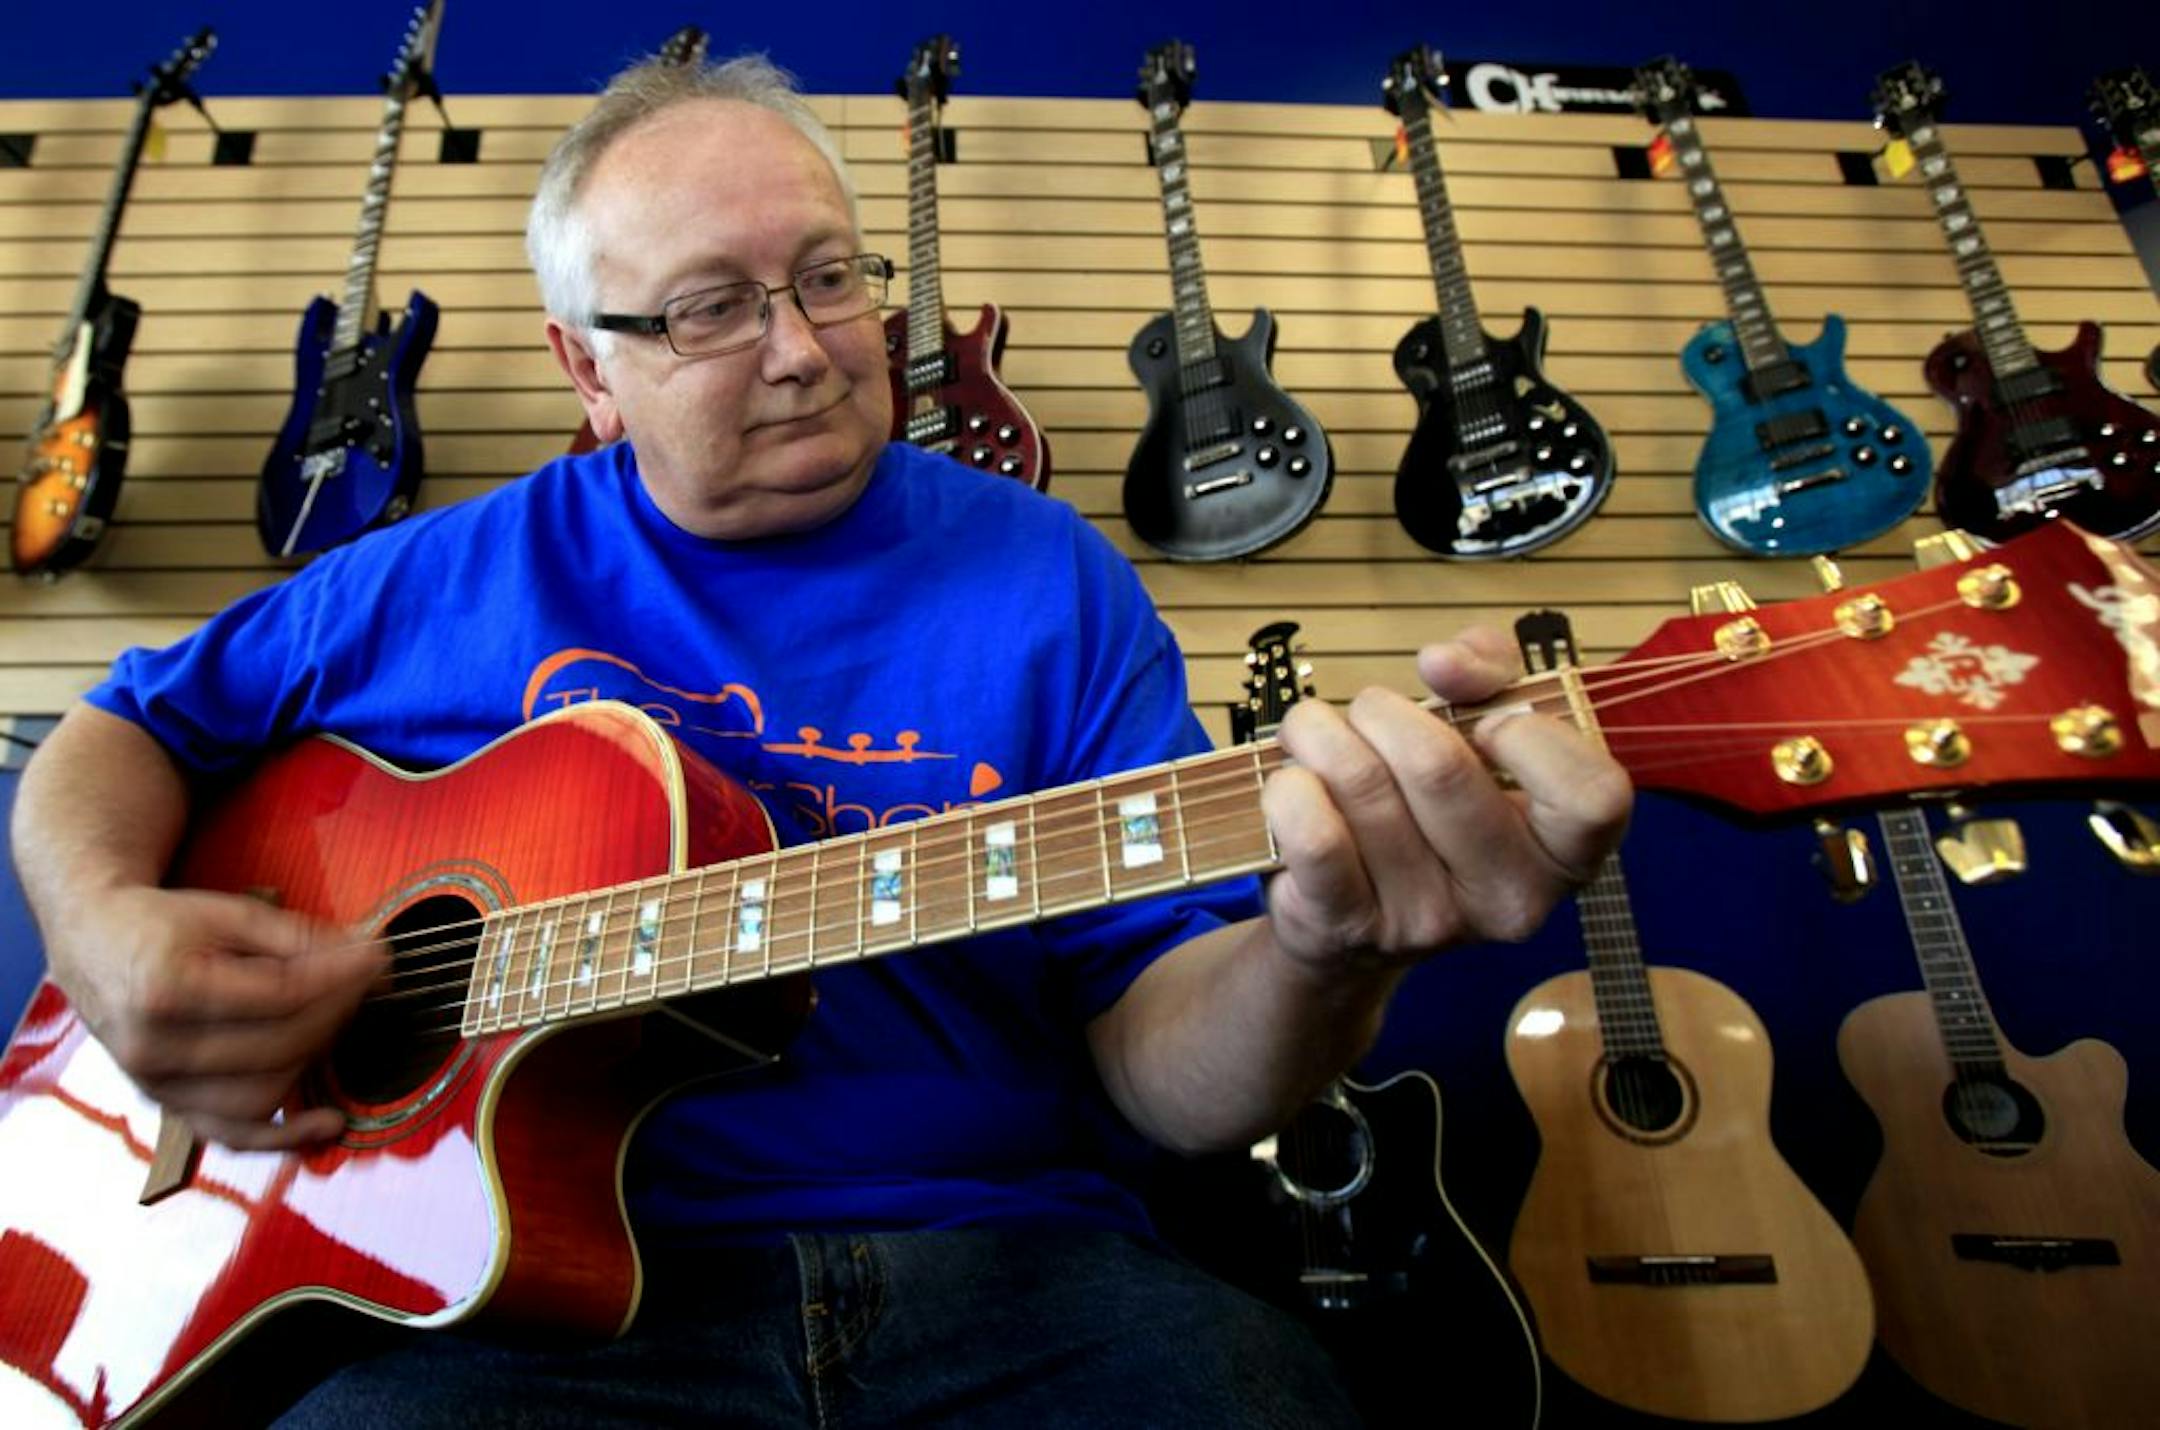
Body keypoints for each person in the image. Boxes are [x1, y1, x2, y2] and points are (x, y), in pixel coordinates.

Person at [9, 53, 1630, 1427]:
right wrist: (102, 928)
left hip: (1014, 1273)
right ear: (589, 366)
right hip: (514, 1306)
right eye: (713, 308)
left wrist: (1325, 954)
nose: (802, 346)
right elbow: (125, 725)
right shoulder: (442, 571)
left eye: (830, 276)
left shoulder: (1051, 580)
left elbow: (1163, 1067)